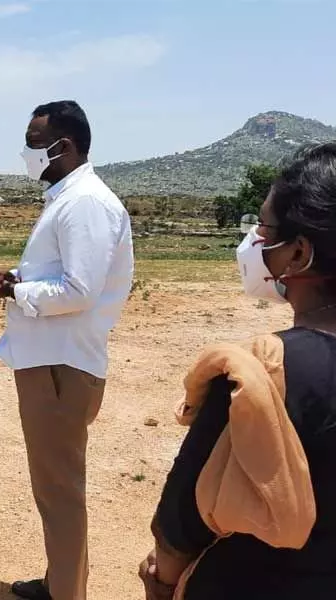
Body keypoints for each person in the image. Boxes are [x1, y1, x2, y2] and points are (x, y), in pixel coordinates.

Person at [140, 143, 336, 600]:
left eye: (263, 229)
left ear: (299, 253)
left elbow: (181, 521)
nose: (253, 243)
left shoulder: (262, 372)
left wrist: (162, 583)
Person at [0, 101, 133, 600]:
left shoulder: (85, 201)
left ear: (61, 146)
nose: (26, 151)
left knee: (60, 492)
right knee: (55, 489)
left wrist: (16, 293)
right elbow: (63, 275)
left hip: (60, 368)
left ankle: (67, 592)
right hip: (53, 361)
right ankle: (60, 581)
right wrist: (20, 278)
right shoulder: (68, 198)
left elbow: (80, 290)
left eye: (33, 139)